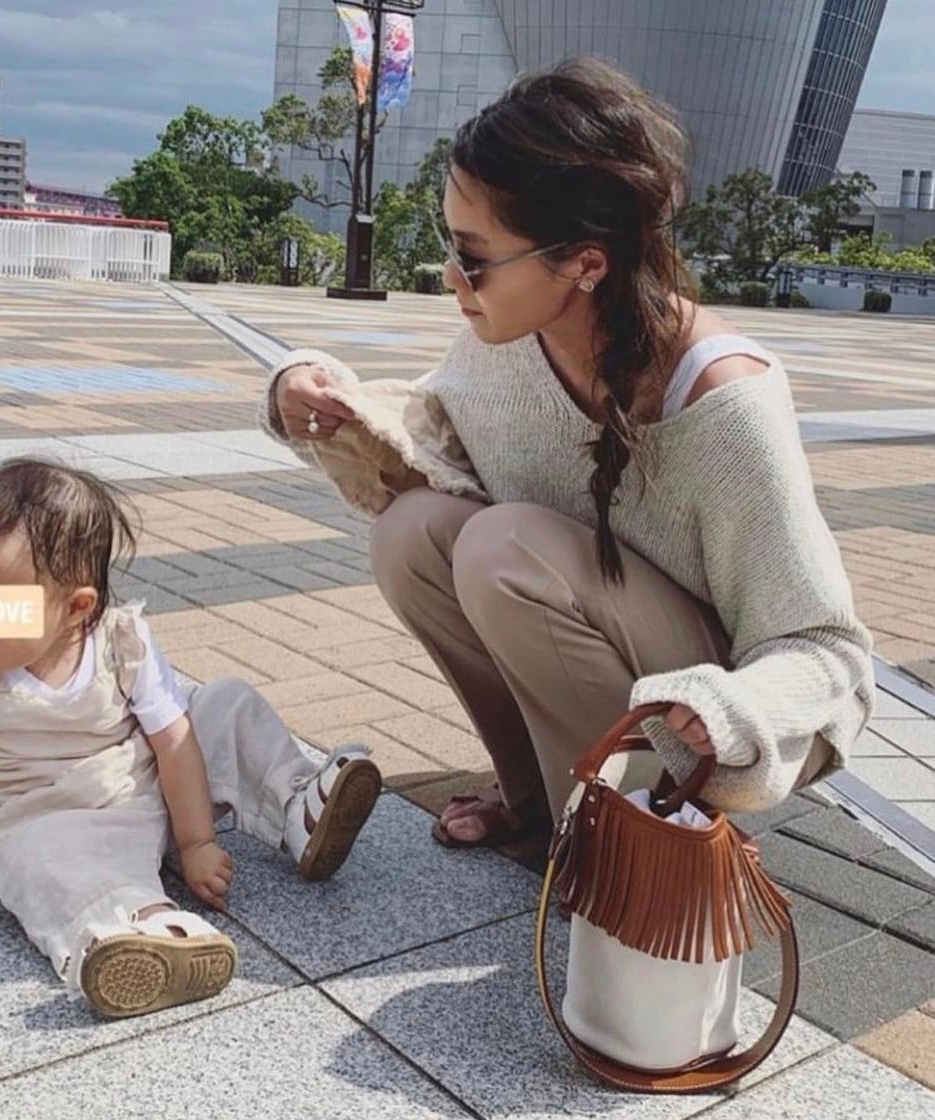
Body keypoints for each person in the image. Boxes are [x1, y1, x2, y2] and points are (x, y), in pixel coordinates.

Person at [259, 57, 874, 848]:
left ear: (586, 262)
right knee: (411, 535)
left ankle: (632, 823)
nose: (452, 277)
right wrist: (305, 392)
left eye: (475, 257)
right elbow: (433, 434)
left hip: (702, 703)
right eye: (451, 245)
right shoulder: (512, 341)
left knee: (500, 547)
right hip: (614, 644)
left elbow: (825, 648)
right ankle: (538, 802)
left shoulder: (722, 402)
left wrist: (732, 711)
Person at [0, 458, 381, 1018]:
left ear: (76, 608)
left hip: (141, 795)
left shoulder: (122, 644)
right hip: (23, 817)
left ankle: (297, 808)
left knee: (223, 701)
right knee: (43, 857)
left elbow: (172, 741)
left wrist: (195, 842)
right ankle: (137, 927)